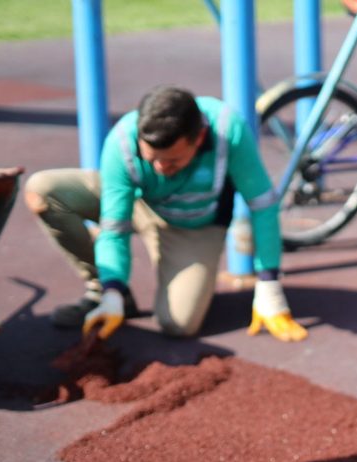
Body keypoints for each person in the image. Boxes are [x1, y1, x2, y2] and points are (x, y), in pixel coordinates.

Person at [24, 85, 306, 342]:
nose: (160, 168)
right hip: (139, 202)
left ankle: (165, 277)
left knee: (178, 325)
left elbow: (263, 205)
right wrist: (113, 288)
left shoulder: (226, 130)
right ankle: (105, 292)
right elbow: (114, 227)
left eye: (172, 161)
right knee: (44, 190)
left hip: (192, 225)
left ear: (198, 140)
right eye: (151, 158)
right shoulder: (121, 142)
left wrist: (269, 282)